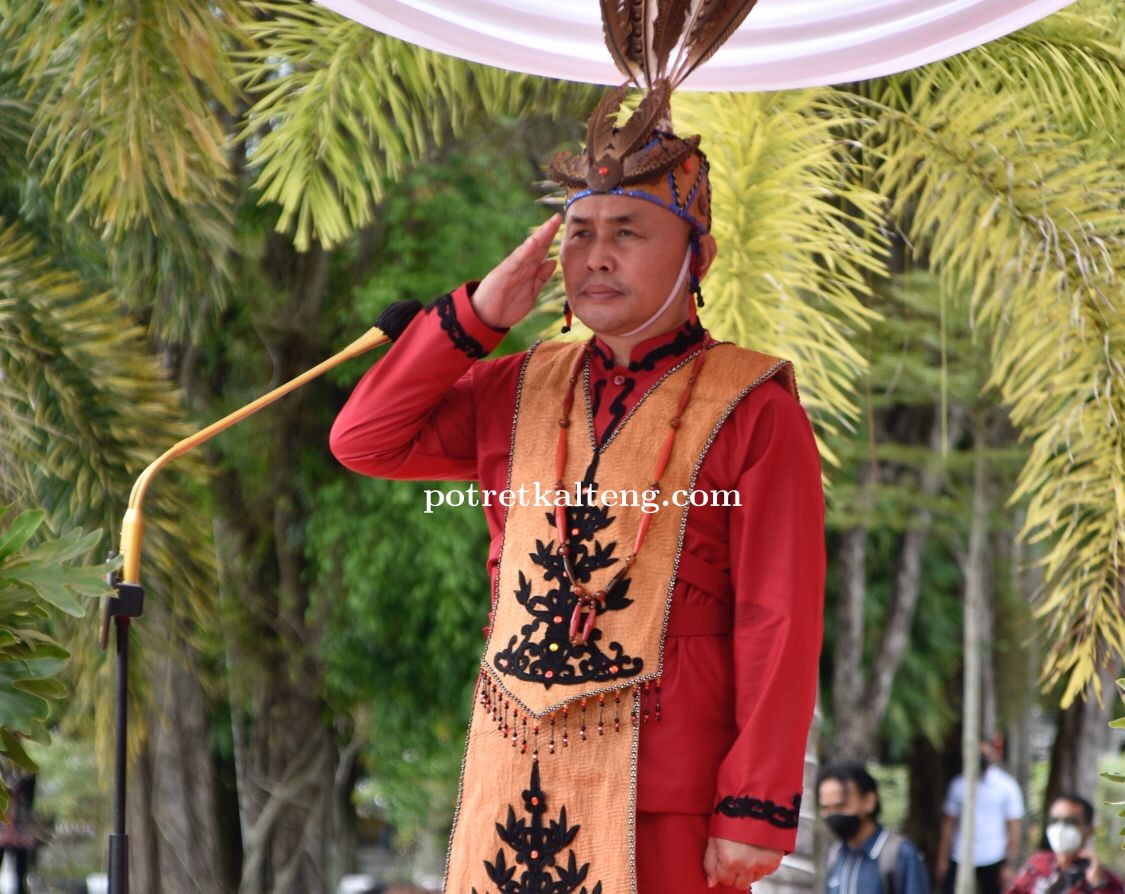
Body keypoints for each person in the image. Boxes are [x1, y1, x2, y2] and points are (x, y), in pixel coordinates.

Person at [330, 2, 824, 891]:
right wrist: (476, 316)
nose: (595, 256)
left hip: (664, 793)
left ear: (697, 256)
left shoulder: (753, 407)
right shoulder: (517, 385)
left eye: (626, 233)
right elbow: (365, 440)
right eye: (580, 233)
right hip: (512, 771)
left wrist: (753, 805)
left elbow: (778, 618)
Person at [817, 761, 930, 894]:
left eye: (841, 806)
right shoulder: (836, 856)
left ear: (869, 801)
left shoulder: (901, 855)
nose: (833, 815)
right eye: (826, 808)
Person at [937, 740, 1025, 894]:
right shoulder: (958, 785)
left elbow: (1014, 827)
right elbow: (948, 824)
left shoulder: (1007, 786)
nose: (981, 759)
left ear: (995, 755)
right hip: (960, 855)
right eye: (977, 754)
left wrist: (1009, 864)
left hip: (993, 856)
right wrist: (942, 859)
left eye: (985, 754)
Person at [1005, 794, 1122, 894]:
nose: (1060, 828)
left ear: (1089, 830)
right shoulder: (1037, 863)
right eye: (1055, 820)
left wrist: (1098, 885)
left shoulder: (1104, 879)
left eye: (1071, 822)